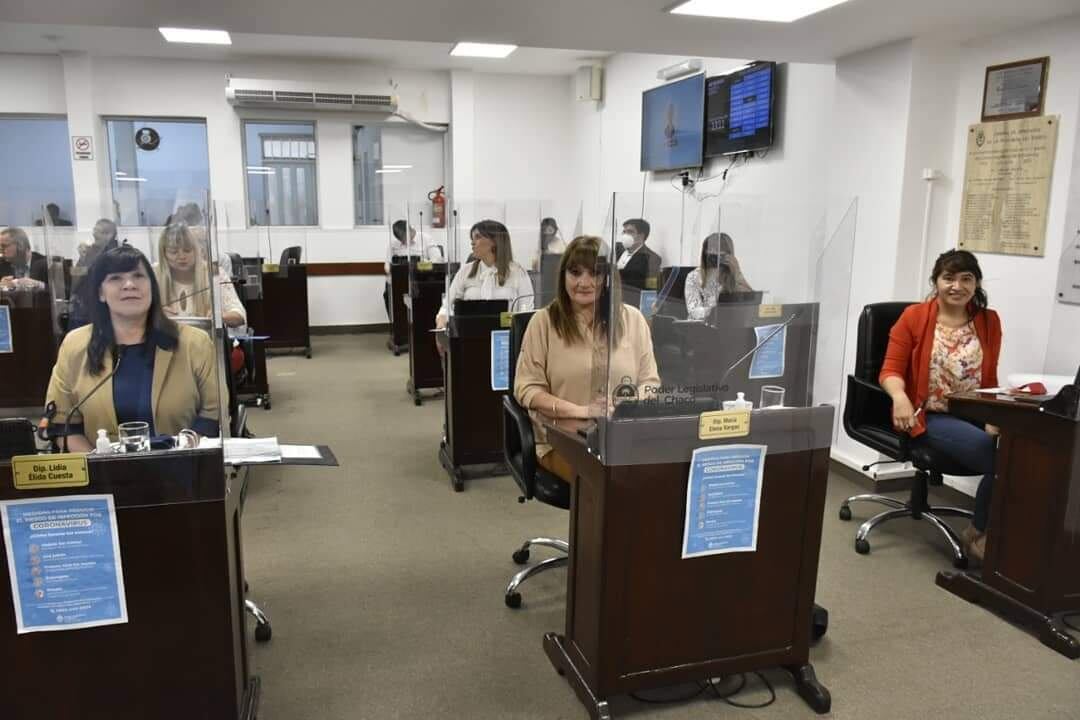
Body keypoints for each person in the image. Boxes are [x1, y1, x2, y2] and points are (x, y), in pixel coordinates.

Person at [879, 249, 1002, 564]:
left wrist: (994, 416)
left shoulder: (988, 320)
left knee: (1023, 450)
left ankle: (986, 530)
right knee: (998, 458)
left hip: (974, 412)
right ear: (936, 282)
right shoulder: (915, 317)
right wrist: (900, 397)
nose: (957, 286)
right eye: (949, 278)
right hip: (930, 415)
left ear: (976, 284)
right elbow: (889, 370)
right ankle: (980, 534)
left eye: (966, 278)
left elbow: (989, 377)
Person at [514, 236, 660, 483]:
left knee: (658, 477)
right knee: (610, 482)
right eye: (575, 272)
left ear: (607, 279)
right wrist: (583, 412)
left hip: (620, 436)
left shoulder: (633, 320)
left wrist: (623, 406)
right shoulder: (543, 322)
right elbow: (527, 389)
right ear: (563, 276)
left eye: (594, 273)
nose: (584, 282)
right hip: (564, 439)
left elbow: (650, 382)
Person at [45, 245, 220, 451]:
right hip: (103, 476)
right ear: (101, 293)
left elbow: (213, 416)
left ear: (152, 288)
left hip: (182, 470)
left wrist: (179, 456)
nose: (129, 284)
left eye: (138, 276)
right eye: (115, 278)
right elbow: (63, 426)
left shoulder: (194, 343)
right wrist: (101, 468)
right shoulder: (74, 345)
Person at [436, 220, 534, 329]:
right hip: (469, 336)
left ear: (495, 241)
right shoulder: (465, 271)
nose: (472, 243)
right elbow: (447, 306)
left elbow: (526, 313)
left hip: (506, 338)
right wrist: (442, 320)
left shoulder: (518, 273)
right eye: (472, 238)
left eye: (478, 237)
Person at [155, 223, 246, 328]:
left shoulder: (214, 273)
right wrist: (156, 315)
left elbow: (240, 315)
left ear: (196, 250)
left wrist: (221, 317)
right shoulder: (153, 274)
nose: (181, 256)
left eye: (187, 250)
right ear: (164, 254)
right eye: (174, 252)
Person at [684, 232, 753, 320]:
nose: (716, 259)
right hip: (704, 325)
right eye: (712, 254)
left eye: (721, 255)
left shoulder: (731, 272)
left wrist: (736, 272)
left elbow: (751, 300)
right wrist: (715, 310)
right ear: (705, 253)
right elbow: (693, 311)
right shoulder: (694, 276)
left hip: (731, 323)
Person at [615, 218, 661, 290]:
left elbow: (651, 289)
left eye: (630, 232)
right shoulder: (616, 249)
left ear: (641, 236)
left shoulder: (652, 258)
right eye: (624, 232)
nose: (625, 235)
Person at [384, 220, 417, 319]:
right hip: (399, 280)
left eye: (404, 238)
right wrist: (390, 270)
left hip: (417, 279)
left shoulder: (426, 239)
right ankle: (398, 324)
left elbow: (436, 259)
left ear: (411, 230)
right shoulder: (393, 245)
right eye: (401, 239)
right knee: (388, 295)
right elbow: (387, 264)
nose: (403, 241)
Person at [0, 227, 48, 291]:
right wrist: (1, 287)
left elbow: (63, 292)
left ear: (21, 245)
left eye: (4, 246)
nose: (1, 250)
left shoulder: (47, 264)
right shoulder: (1, 264)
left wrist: (39, 285)